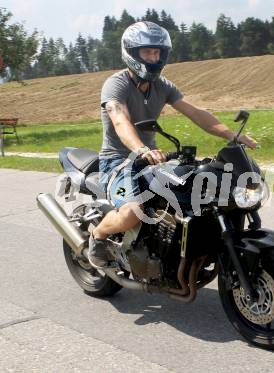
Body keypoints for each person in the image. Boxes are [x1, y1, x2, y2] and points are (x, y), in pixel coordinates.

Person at [88, 21, 257, 268]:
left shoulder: (162, 85)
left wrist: (233, 136)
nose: (154, 58)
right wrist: (141, 149)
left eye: (158, 53)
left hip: (154, 158)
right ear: (132, 53)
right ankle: (98, 237)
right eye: (147, 52)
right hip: (118, 162)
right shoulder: (117, 84)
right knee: (132, 211)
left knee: (195, 191)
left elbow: (196, 113)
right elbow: (120, 121)